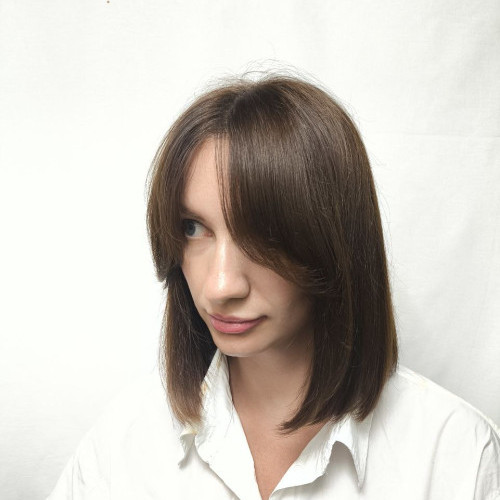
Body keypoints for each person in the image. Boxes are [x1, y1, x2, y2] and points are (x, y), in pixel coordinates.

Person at [48, 74, 500, 499]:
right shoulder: (123, 446)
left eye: (261, 233)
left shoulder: (456, 454)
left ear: (333, 241)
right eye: (193, 228)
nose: (220, 286)